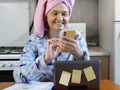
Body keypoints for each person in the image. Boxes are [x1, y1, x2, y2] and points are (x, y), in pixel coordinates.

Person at [13, 0, 90, 83]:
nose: (60, 18)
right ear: (46, 16)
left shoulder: (77, 39)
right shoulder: (34, 41)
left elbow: (90, 78)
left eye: (64, 14)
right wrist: (45, 60)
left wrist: (81, 56)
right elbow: (18, 76)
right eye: (55, 13)